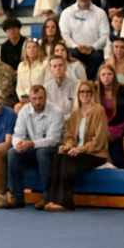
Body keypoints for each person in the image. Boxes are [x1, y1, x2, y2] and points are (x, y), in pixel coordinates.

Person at [45, 81, 108, 211]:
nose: (84, 94)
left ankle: (66, 202)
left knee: (68, 159)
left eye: (88, 91)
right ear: (78, 94)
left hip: (94, 153)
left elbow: (99, 140)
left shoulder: (99, 111)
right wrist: (67, 146)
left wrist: (80, 149)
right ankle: (53, 199)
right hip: (77, 151)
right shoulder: (75, 113)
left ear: (92, 93)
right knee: (58, 157)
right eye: (81, 92)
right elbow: (69, 136)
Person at [8, 85, 64, 209]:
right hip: (31, 149)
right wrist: (18, 144)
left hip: (52, 150)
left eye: (40, 98)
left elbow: (52, 140)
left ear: (46, 97)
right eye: (34, 99)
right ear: (29, 99)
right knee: (13, 153)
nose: (37, 102)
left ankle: (47, 197)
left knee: (42, 152)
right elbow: (17, 134)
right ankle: (17, 197)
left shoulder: (56, 111)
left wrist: (31, 144)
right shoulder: (24, 111)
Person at [59, 0, 109, 79]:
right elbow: (64, 34)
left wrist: (92, 47)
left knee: (97, 57)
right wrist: (76, 47)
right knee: (72, 55)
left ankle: (88, 83)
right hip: (73, 49)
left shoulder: (100, 13)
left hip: (95, 50)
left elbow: (104, 35)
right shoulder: (66, 13)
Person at [96, 62, 124, 147]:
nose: (106, 77)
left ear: (114, 76)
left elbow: (123, 114)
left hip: (117, 124)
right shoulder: (96, 90)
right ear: (99, 77)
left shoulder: (122, 90)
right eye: (103, 74)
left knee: (100, 137)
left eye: (109, 74)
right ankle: (107, 160)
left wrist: (105, 127)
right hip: (102, 125)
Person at [15, 38, 47, 111]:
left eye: (34, 47)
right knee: (17, 107)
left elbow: (47, 84)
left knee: (24, 108)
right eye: (28, 47)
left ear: (38, 49)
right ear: (25, 50)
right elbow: (19, 87)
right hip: (25, 98)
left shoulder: (45, 63)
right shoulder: (21, 65)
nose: (31, 50)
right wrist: (22, 97)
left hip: (39, 97)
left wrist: (33, 97)